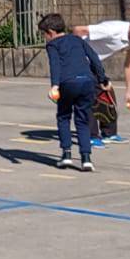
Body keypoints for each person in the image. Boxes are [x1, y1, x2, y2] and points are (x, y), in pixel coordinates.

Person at [74, 11, 130, 146]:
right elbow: (78, 30)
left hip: (94, 64)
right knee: (90, 96)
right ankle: (91, 136)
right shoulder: (112, 30)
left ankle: (109, 133)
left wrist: (129, 92)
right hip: (79, 61)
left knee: (107, 94)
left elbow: (129, 64)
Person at [41, 13, 108, 172]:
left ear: (51, 32)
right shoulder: (77, 39)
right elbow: (94, 58)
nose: (44, 38)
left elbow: (55, 65)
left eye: (44, 34)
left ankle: (66, 154)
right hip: (87, 82)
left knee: (64, 116)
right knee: (83, 120)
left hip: (68, 83)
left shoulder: (52, 45)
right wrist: (102, 78)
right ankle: (86, 158)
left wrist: (55, 85)